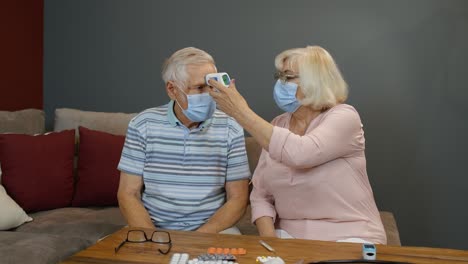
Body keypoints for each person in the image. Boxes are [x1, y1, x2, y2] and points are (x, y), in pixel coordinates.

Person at [208, 46, 387, 243]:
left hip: (349, 235)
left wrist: (240, 112)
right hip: (289, 237)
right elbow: (261, 195)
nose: (280, 83)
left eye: (288, 77)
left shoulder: (345, 117)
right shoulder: (278, 124)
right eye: (279, 76)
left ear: (316, 81)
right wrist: (270, 243)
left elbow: (301, 154)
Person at [117, 47, 250, 234]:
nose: (209, 94)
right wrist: (154, 239)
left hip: (213, 230)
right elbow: (128, 194)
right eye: (199, 87)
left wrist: (196, 240)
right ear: (172, 89)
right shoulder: (143, 124)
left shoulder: (231, 127)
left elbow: (238, 198)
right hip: (152, 229)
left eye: (211, 86)